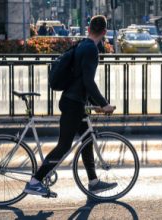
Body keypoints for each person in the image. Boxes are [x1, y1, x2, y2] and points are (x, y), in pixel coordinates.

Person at [24, 15, 117, 196]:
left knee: (87, 140)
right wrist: (104, 104)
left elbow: (80, 80)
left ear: (89, 29)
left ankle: (93, 181)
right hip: (73, 103)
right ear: (104, 32)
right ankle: (35, 181)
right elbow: (89, 82)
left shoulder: (82, 44)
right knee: (64, 146)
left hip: (75, 101)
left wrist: (92, 104)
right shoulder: (91, 50)